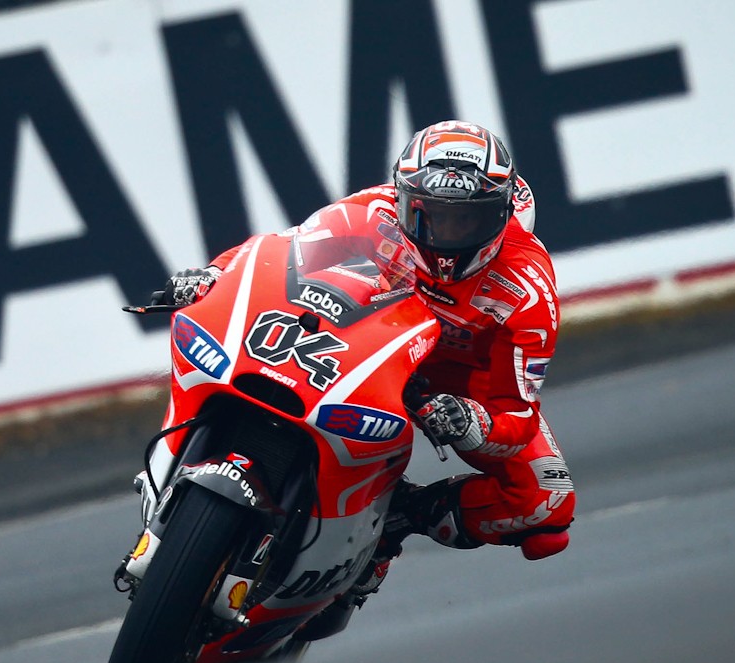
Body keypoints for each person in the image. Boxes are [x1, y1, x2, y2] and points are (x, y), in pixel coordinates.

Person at [161, 120, 575, 604]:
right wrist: (212, 276)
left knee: (547, 506)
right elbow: (274, 256)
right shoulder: (369, 212)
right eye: (430, 216)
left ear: (501, 217)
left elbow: (516, 414)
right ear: (402, 200)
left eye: (468, 220)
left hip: (457, 385)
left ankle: (401, 516)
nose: (446, 235)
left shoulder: (527, 290)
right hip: (357, 344)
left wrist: (472, 423)